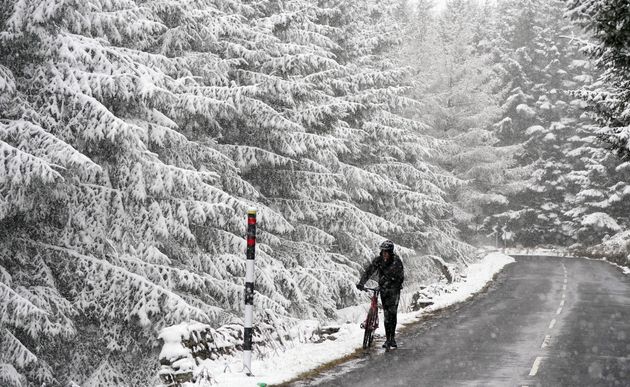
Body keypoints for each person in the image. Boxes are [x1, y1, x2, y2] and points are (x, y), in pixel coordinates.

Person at [356, 240, 404, 348]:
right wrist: (361, 283)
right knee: (387, 315)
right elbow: (369, 271)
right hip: (384, 290)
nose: (384, 254)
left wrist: (390, 284)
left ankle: (392, 338)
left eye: (386, 252)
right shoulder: (379, 260)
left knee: (392, 314)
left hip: (394, 291)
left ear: (390, 252)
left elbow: (400, 278)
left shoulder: (396, 262)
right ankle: (388, 339)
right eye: (383, 251)